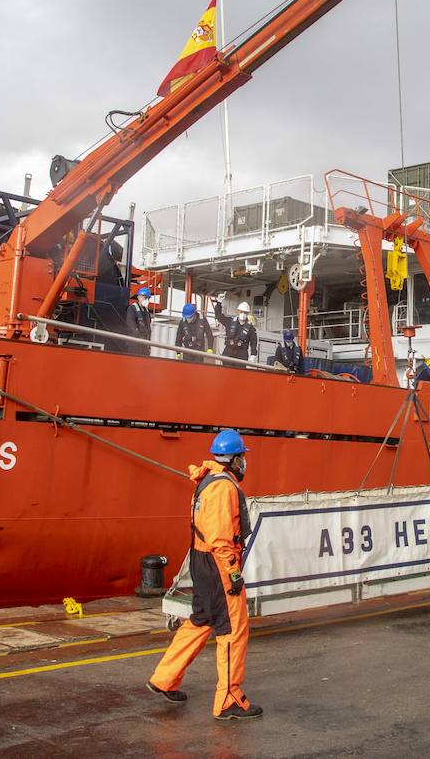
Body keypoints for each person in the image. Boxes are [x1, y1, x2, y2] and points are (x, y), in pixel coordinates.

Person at [147, 429, 262, 720]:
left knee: (200, 621)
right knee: (232, 631)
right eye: (242, 457)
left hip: (202, 561)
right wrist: (233, 573)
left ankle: (165, 678)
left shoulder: (207, 481)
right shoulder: (224, 487)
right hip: (218, 564)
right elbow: (221, 538)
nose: (245, 463)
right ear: (234, 459)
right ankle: (228, 700)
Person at [214, 299, 258, 365]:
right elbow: (218, 316)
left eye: (245, 312)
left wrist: (253, 354)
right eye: (241, 312)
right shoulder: (230, 321)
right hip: (228, 351)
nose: (243, 314)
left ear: (248, 313)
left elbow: (253, 341)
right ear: (238, 312)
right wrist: (219, 303)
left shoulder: (251, 328)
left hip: (242, 354)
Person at [125, 287, 153, 355]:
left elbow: (148, 328)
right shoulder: (132, 308)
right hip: (134, 342)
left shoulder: (147, 312)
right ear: (139, 297)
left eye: (148, 298)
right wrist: (138, 336)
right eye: (145, 297)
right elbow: (131, 324)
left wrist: (148, 342)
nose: (147, 300)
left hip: (144, 344)